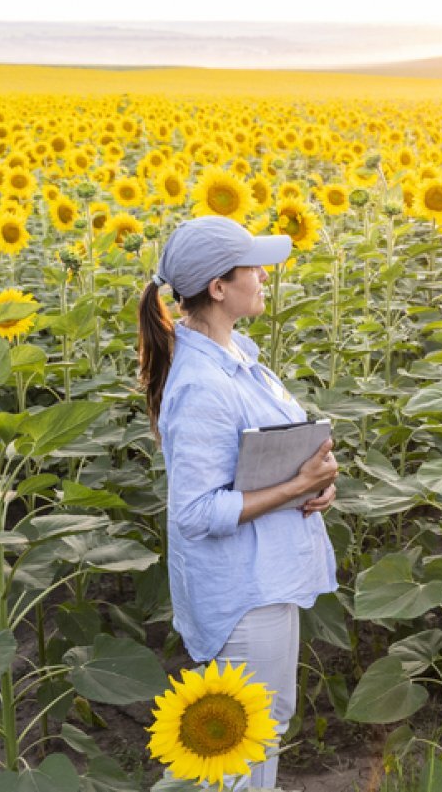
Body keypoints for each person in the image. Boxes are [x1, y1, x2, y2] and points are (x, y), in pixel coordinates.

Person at [137, 216, 339, 789]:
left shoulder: (240, 358)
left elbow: (275, 454)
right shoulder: (203, 385)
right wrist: (296, 487)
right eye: (252, 266)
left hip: (267, 575)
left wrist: (316, 482)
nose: (264, 274)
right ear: (219, 288)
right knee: (242, 743)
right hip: (242, 592)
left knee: (259, 730)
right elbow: (197, 513)